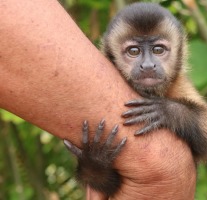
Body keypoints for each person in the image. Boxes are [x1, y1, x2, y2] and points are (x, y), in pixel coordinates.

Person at [0, 0, 196, 199]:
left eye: (158, 50)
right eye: (134, 51)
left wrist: (171, 111)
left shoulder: (178, 90)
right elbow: (104, 186)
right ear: (110, 55)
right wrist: (93, 170)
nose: (147, 64)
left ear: (180, 53)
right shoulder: (97, 89)